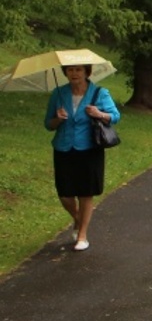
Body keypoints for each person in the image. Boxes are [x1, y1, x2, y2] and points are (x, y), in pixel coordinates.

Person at [44, 63, 121, 251]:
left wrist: (99, 113)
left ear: (87, 72)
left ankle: (82, 235)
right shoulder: (58, 94)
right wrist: (57, 119)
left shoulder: (99, 93)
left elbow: (115, 116)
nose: (74, 73)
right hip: (63, 148)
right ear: (65, 73)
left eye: (78, 70)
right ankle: (78, 218)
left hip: (89, 149)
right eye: (70, 70)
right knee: (65, 194)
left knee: (86, 192)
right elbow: (48, 124)